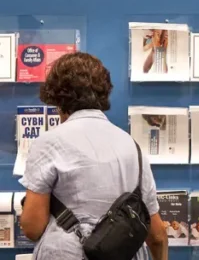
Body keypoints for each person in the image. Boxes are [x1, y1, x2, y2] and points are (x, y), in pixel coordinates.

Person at [18, 52, 168, 260]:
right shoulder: (132, 147)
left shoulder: (48, 143)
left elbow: (33, 227)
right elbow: (157, 234)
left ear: (57, 98)